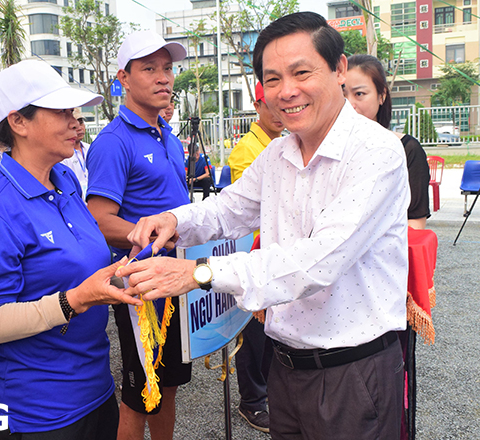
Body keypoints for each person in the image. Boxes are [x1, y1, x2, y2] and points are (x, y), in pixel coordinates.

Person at [117, 12, 409, 440]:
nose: (287, 91)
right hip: (286, 367)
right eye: (272, 80)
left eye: (301, 72)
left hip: (352, 372)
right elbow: (226, 210)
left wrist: (199, 273)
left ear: (339, 68)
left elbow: (317, 261)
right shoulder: (277, 155)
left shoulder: (376, 152)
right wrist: (173, 219)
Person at [0, 59, 141, 440]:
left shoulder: (66, 181)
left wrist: (126, 272)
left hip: (94, 388)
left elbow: (84, 266)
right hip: (37, 410)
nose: (77, 123)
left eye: (75, 112)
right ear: (19, 122)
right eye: (61, 112)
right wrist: (73, 300)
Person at [85, 30, 189, 440]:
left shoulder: (167, 134)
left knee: (168, 383)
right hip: (142, 289)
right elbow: (98, 219)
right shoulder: (114, 141)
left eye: (167, 68)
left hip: (174, 277)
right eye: (149, 69)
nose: (163, 77)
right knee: (139, 390)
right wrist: (149, 235)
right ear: (123, 78)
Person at [225, 80, 284, 433]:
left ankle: (267, 394)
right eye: (269, 105)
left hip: (275, 254)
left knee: (272, 334)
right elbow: (255, 207)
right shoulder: (247, 150)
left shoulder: (281, 144)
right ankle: (251, 400)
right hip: (253, 251)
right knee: (252, 333)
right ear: (257, 105)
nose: (278, 113)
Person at [344, 54, 430, 229]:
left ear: (381, 95)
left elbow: (415, 222)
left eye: (359, 94)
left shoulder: (407, 150)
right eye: (342, 94)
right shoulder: (329, 150)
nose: (349, 104)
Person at [61, 108, 90, 198]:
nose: (79, 128)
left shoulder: (90, 148)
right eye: (74, 124)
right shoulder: (63, 155)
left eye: (81, 122)